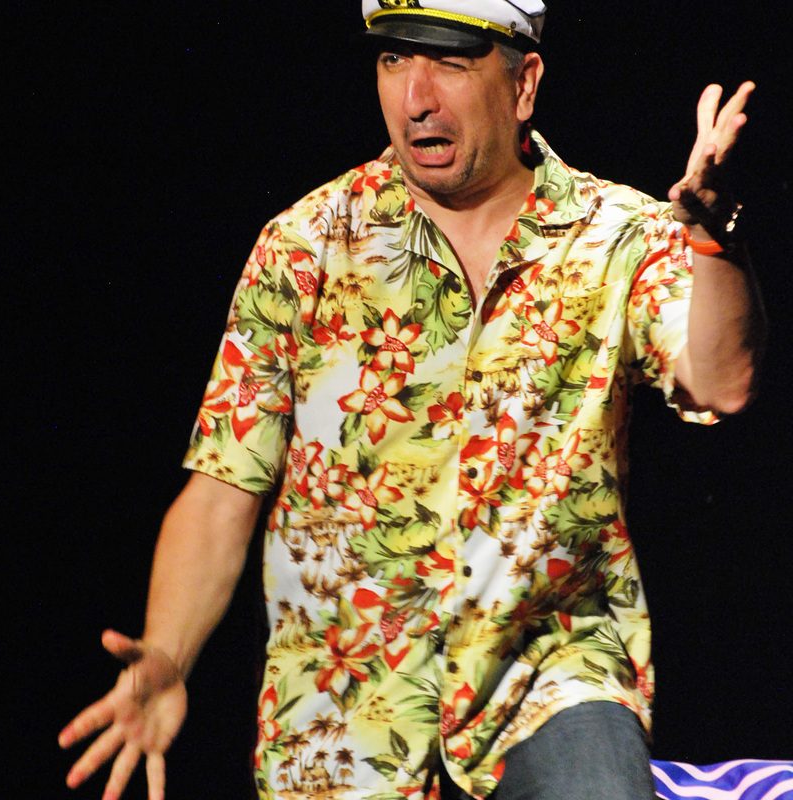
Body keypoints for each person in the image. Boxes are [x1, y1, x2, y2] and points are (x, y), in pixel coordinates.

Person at [59, 2, 765, 799]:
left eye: (451, 63)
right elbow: (223, 488)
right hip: (345, 713)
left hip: (548, 674)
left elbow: (722, 381)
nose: (416, 98)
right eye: (394, 61)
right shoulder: (306, 246)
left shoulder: (617, 234)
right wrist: (167, 654)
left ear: (524, 84)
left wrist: (712, 238)